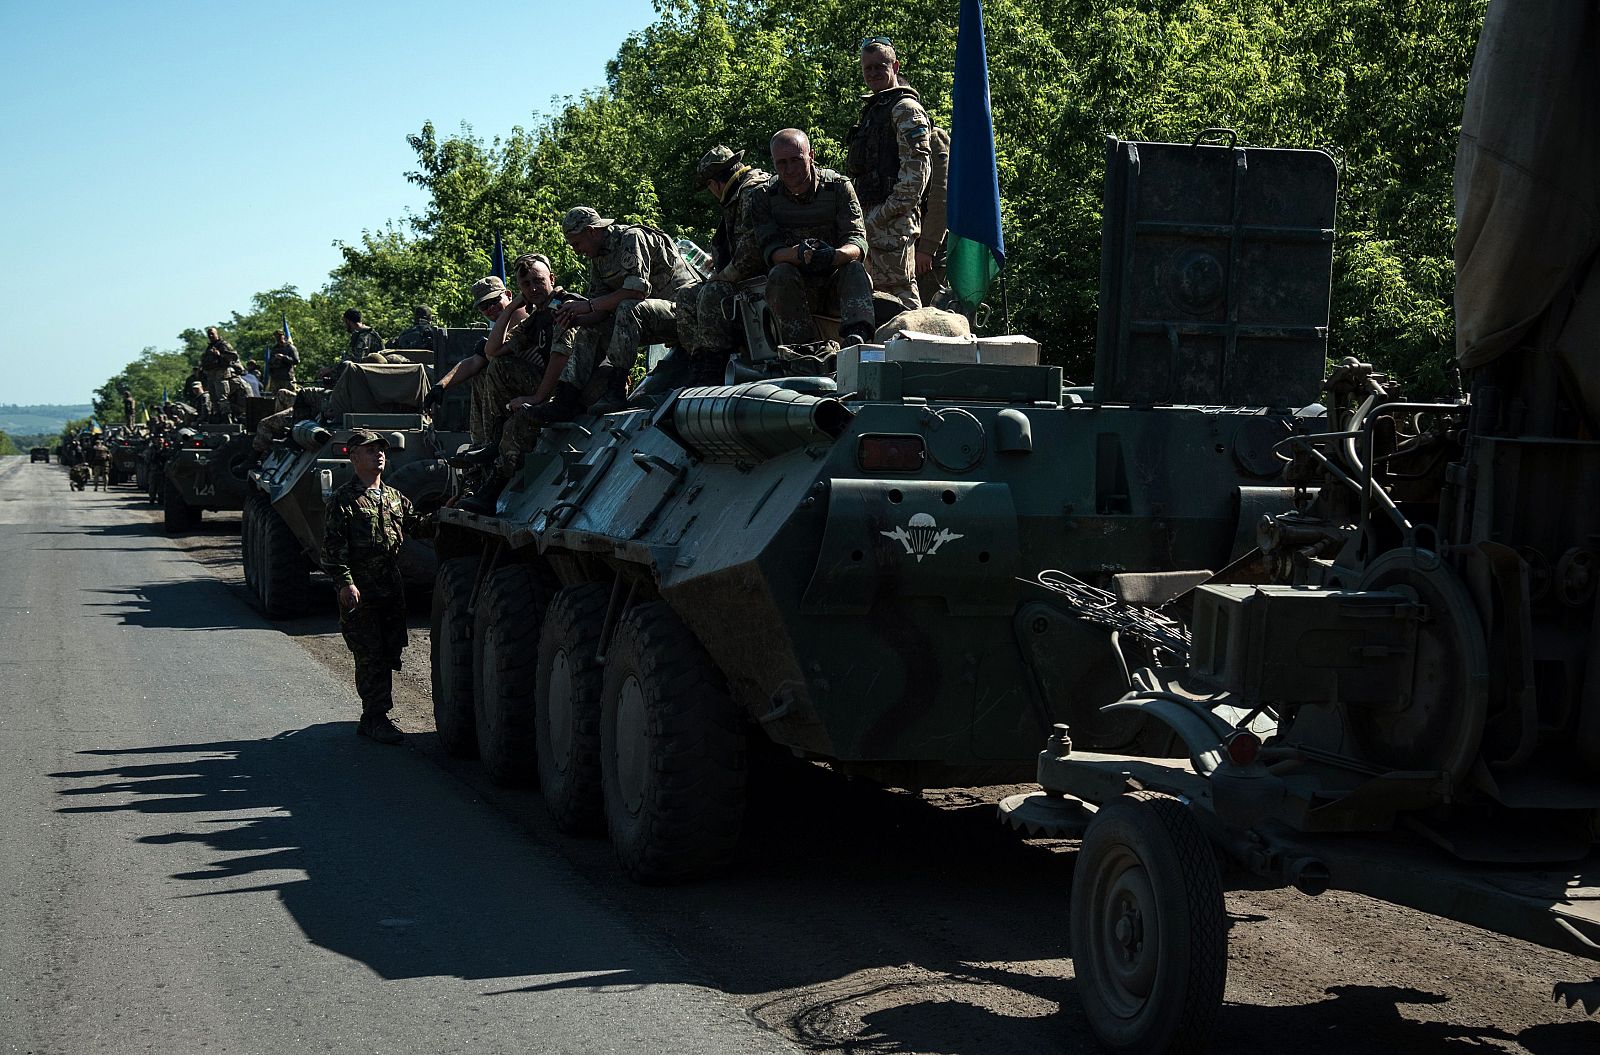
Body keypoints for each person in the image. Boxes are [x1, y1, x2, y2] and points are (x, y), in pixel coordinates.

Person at [322, 429, 436, 744]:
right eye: (371, 450)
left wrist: (444, 514)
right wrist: (345, 583)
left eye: (381, 450)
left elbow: (418, 526)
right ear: (354, 456)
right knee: (369, 654)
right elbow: (333, 549)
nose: (379, 455)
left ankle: (375, 717)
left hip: (390, 588)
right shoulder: (343, 500)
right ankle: (374, 717)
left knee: (388, 652)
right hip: (362, 591)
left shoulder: (395, 497)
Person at [732, 128, 875, 347]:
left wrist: (833, 256)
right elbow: (770, 251)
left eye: (796, 160)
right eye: (782, 163)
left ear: (811, 156)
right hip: (794, 286)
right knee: (780, 273)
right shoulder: (763, 197)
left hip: (834, 282)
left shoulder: (838, 188)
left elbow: (857, 241)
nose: (789, 170)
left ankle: (858, 337)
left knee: (854, 268)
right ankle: (801, 348)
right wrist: (798, 253)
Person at [458, 255, 576, 512]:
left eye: (538, 281)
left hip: (572, 390)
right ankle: (494, 442)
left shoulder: (564, 307)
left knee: (522, 418)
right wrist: (511, 308)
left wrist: (535, 399)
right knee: (499, 367)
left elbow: (560, 357)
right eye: (526, 284)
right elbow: (493, 351)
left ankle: (493, 489)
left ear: (551, 279)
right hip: (552, 386)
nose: (533, 288)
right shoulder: (538, 315)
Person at [555, 206, 694, 413]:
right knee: (590, 329)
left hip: (685, 314)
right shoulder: (598, 257)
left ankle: (616, 389)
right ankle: (566, 398)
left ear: (592, 231)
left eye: (577, 243)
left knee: (629, 307)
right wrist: (577, 319)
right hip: (652, 319)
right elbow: (600, 309)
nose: (576, 251)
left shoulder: (631, 238)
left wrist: (587, 306)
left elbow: (636, 292)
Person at [846, 37, 933, 311]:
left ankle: (919, 346)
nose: (872, 73)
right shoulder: (875, 109)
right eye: (867, 68)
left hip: (892, 223)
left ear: (895, 66)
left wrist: (883, 214)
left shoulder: (906, 109)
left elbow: (917, 174)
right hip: (871, 219)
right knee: (876, 297)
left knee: (900, 294)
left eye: (879, 67)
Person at [674, 145, 770, 383]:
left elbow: (751, 255)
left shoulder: (750, 192)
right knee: (686, 296)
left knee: (712, 292)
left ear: (714, 184)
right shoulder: (738, 195)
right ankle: (699, 363)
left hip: (761, 280)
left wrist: (722, 276)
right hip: (747, 280)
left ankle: (711, 370)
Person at [423, 275, 527, 453]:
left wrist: (487, 349)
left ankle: (492, 440)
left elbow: (491, 354)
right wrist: (441, 386)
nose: (490, 309)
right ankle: (483, 442)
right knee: (480, 373)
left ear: (508, 295)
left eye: (494, 301)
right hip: (514, 386)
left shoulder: (521, 316)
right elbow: (473, 362)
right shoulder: (500, 325)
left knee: (492, 367)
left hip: (535, 384)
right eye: (484, 306)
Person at [917, 125, 951, 307]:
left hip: (926, 251)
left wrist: (927, 248)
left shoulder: (933, 139)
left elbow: (941, 197)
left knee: (931, 315)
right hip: (897, 247)